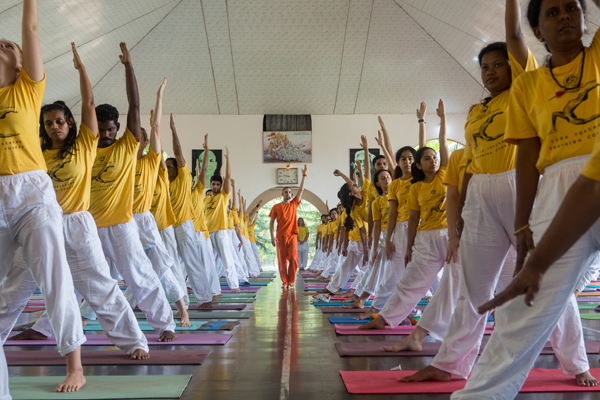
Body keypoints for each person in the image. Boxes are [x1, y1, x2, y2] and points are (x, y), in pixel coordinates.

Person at [452, 0, 600, 397]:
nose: (565, 16)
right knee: (525, 305)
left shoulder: (598, 54)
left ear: (586, 19)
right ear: (539, 31)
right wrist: (522, 225)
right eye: (552, 13)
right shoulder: (529, 86)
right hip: (558, 187)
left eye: (572, 8)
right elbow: (528, 159)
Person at [2, 43, 150, 359]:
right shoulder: (37, 153)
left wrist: (82, 70)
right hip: (38, 222)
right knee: (13, 290)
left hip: (76, 225)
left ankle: (135, 342)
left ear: (69, 122)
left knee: (101, 287)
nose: (54, 126)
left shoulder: (85, 143)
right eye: (48, 123)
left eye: (59, 121)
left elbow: (89, 102)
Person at [0, 1, 86, 392]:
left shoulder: (28, 89)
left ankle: (75, 366)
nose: (3, 46)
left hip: (32, 194)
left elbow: (31, 29)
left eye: (8, 45)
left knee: (53, 278)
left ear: (20, 63)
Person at [90, 42, 176, 342]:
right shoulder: (85, 148)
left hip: (122, 224)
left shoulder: (127, 147)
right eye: (100, 129)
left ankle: (165, 324)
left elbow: (135, 108)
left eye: (110, 129)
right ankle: (46, 328)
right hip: (89, 226)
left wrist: (128, 67)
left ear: (118, 129)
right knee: (81, 281)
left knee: (139, 275)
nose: (104, 134)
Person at [359, 99, 456, 331]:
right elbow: (397, 216)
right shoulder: (402, 186)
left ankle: (432, 315)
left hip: (441, 231)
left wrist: (428, 120)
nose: (407, 162)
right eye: (403, 160)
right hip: (413, 232)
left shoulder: (432, 175)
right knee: (401, 275)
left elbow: (431, 146)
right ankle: (388, 312)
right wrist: (389, 239)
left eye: (411, 159)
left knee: (442, 279)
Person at [126, 80, 190, 326]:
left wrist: (159, 97)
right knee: (123, 269)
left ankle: (182, 311)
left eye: (140, 140)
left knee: (163, 267)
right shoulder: (122, 161)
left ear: (144, 143)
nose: (136, 144)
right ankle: (91, 313)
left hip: (145, 221)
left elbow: (156, 127)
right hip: (122, 221)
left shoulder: (150, 162)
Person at [167, 114, 214, 309]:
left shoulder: (183, 178)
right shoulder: (164, 185)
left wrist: (173, 130)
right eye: (166, 167)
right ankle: (182, 303)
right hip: (170, 228)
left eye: (169, 167)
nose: (167, 169)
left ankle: (205, 298)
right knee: (173, 266)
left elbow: (178, 152)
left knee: (192, 263)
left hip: (185, 226)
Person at [315, 158, 370, 298]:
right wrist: (365, 250)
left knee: (350, 267)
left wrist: (341, 174)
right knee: (362, 267)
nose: (355, 185)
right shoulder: (353, 209)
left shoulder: (359, 199)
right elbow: (361, 231)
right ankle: (349, 289)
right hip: (363, 241)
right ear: (351, 193)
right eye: (353, 186)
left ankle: (339, 288)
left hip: (361, 241)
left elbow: (354, 182)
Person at [205, 147, 241, 292]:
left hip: (220, 233)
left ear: (220, 186)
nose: (215, 186)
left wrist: (227, 159)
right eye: (213, 184)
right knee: (209, 263)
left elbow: (227, 175)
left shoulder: (223, 197)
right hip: (208, 234)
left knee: (227, 260)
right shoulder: (205, 201)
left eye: (217, 184)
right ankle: (214, 290)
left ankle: (235, 286)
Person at [191, 136, 221, 301]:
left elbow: (202, 171)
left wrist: (206, 150)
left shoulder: (197, 193)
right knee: (179, 264)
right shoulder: (176, 194)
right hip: (184, 233)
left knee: (208, 264)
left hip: (201, 233)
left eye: (191, 181)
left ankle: (214, 292)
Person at [269, 165, 308, 288]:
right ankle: (285, 282)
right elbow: (271, 223)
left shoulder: (294, 204)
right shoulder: (276, 207)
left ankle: (291, 280)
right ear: (282, 194)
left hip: (292, 236)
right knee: (282, 261)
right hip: (280, 237)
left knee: (293, 259)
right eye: (286, 192)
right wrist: (272, 237)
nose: (288, 193)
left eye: (290, 192)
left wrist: (304, 175)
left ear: (292, 194)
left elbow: (301, 190)